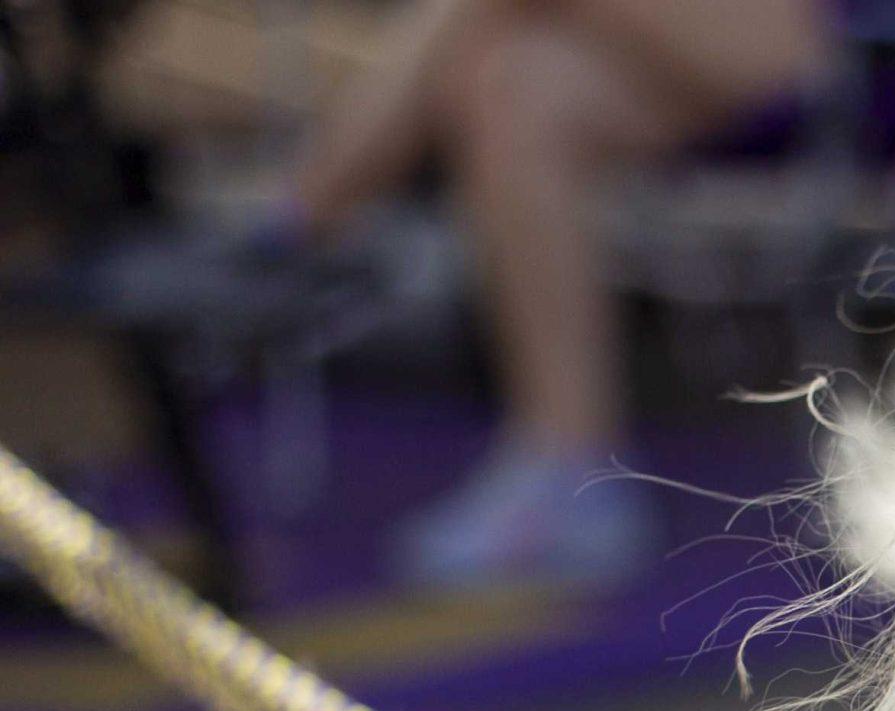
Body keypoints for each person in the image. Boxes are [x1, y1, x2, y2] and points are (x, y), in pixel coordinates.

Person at [265, 0, 825, 586]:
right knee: (515, 83)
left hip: (825, 36)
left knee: (487, 28)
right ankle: (570, 463)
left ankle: (296, 222)